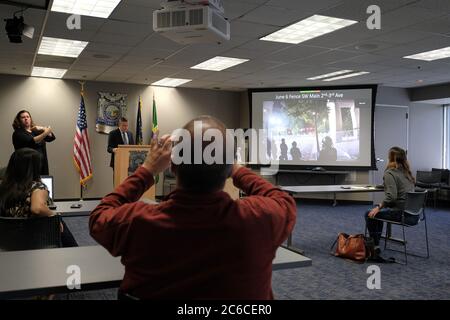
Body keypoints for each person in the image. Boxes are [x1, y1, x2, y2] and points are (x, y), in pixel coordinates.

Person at [90, 116, 296, 299]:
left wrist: (147, 169)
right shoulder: (259, 219)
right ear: (228, 170)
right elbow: (283, 200)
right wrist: (235, 168)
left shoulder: (138, 222)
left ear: (172, 166)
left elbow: (99, 216)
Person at [0, 148, 77, 247]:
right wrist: (54, 216)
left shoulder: (4, 187)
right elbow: (37, 208)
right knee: (58, 219)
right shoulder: (37, 187)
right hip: (34, 240)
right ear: (34, 168)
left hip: (7, 242)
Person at [364, 146, 415, 262]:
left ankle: (375, 246)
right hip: (414, 215)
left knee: (370, 213)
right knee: (378, 213)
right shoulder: (407, 173)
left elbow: (391, 197)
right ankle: (376, 241)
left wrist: (378, 207)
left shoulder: (390, 173)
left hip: (401, 214)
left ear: (390, 158)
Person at [12, 110, 55, 175]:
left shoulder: (35, 132)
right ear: (19, 120)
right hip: (27, 168)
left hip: (41, 165)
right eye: (23, 117)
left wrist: (42, 128)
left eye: (28, 117)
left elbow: (51, 138)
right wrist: (46, 131)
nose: (26, 118)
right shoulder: (18, 133)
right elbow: (33, 141)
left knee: (41, 184)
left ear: (30, 119)